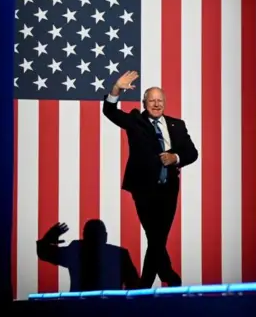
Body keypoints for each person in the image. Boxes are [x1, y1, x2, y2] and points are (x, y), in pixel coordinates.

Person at [102, 71, 198, 288]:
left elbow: (192, 153)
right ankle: (147, 284)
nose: (156, 104)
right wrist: (116, 88)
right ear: (144, 102)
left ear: (165, 103)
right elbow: (109, 110)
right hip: (144, 190)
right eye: (152, 100)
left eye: (160, 100)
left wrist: (175, 157)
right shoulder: (135, 121)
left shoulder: (177, 125)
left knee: (157, 237)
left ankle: (168, 275)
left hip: (168, 190)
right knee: (155, 236)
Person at [37, 220, 140, 291]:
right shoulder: (119, 254)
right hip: (111, 307)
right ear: (105, 236)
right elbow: (134, 284)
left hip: (81, 307)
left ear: (84, 235)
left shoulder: (77, 250)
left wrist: (48, 238)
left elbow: (44, 252)